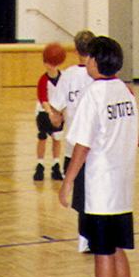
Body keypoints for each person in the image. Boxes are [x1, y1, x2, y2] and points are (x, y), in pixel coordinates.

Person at [58, 35, 139, 277]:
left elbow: (82, 144)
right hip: (122, 185)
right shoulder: (127, 92)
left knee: (102, 250)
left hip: (100, 185)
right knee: (117, 246)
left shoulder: (94, 94)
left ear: (95, 61)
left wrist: (67, 181)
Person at [45, 29, 98, 184]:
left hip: (73, 148)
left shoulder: (67, 76)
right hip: (97, 147)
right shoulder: (101, 75)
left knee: (79, 198)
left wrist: (55, 119)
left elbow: (55, 117)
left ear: (75, 50)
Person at [33, 43, 65, 181]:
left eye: (52, 63)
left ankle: (56, 164)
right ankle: (40, 164)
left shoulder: (64, 78)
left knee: (57, 138)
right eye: (47, 62)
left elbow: (65, 97)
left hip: (58, 112)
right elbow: (43, 98)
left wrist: (60, 113)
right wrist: (50, 114)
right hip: (43, 112)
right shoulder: (43, 80)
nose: (49, 65)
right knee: (42, 137)